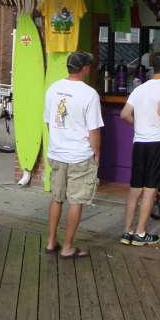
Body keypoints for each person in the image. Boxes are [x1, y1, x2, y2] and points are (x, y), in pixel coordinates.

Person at [44, 51, 103, 260]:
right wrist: (97, 153)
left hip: (57, 152)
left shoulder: (53, 89)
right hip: (80, 154)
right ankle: (68, 246)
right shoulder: (90, 94)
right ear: (85, 67)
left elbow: (50, 122)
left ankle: (51, 241)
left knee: (56, 198)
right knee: (76, 201)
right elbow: (93, 130)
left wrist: (59, 141)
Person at [119, 51, 160, 246]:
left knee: (135, 189)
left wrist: (141, 124)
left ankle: (127, 231)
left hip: (139, 143)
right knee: (150, 190)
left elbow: (124, 114)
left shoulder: (140, 88)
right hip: (158, 142)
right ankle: (141, 234)